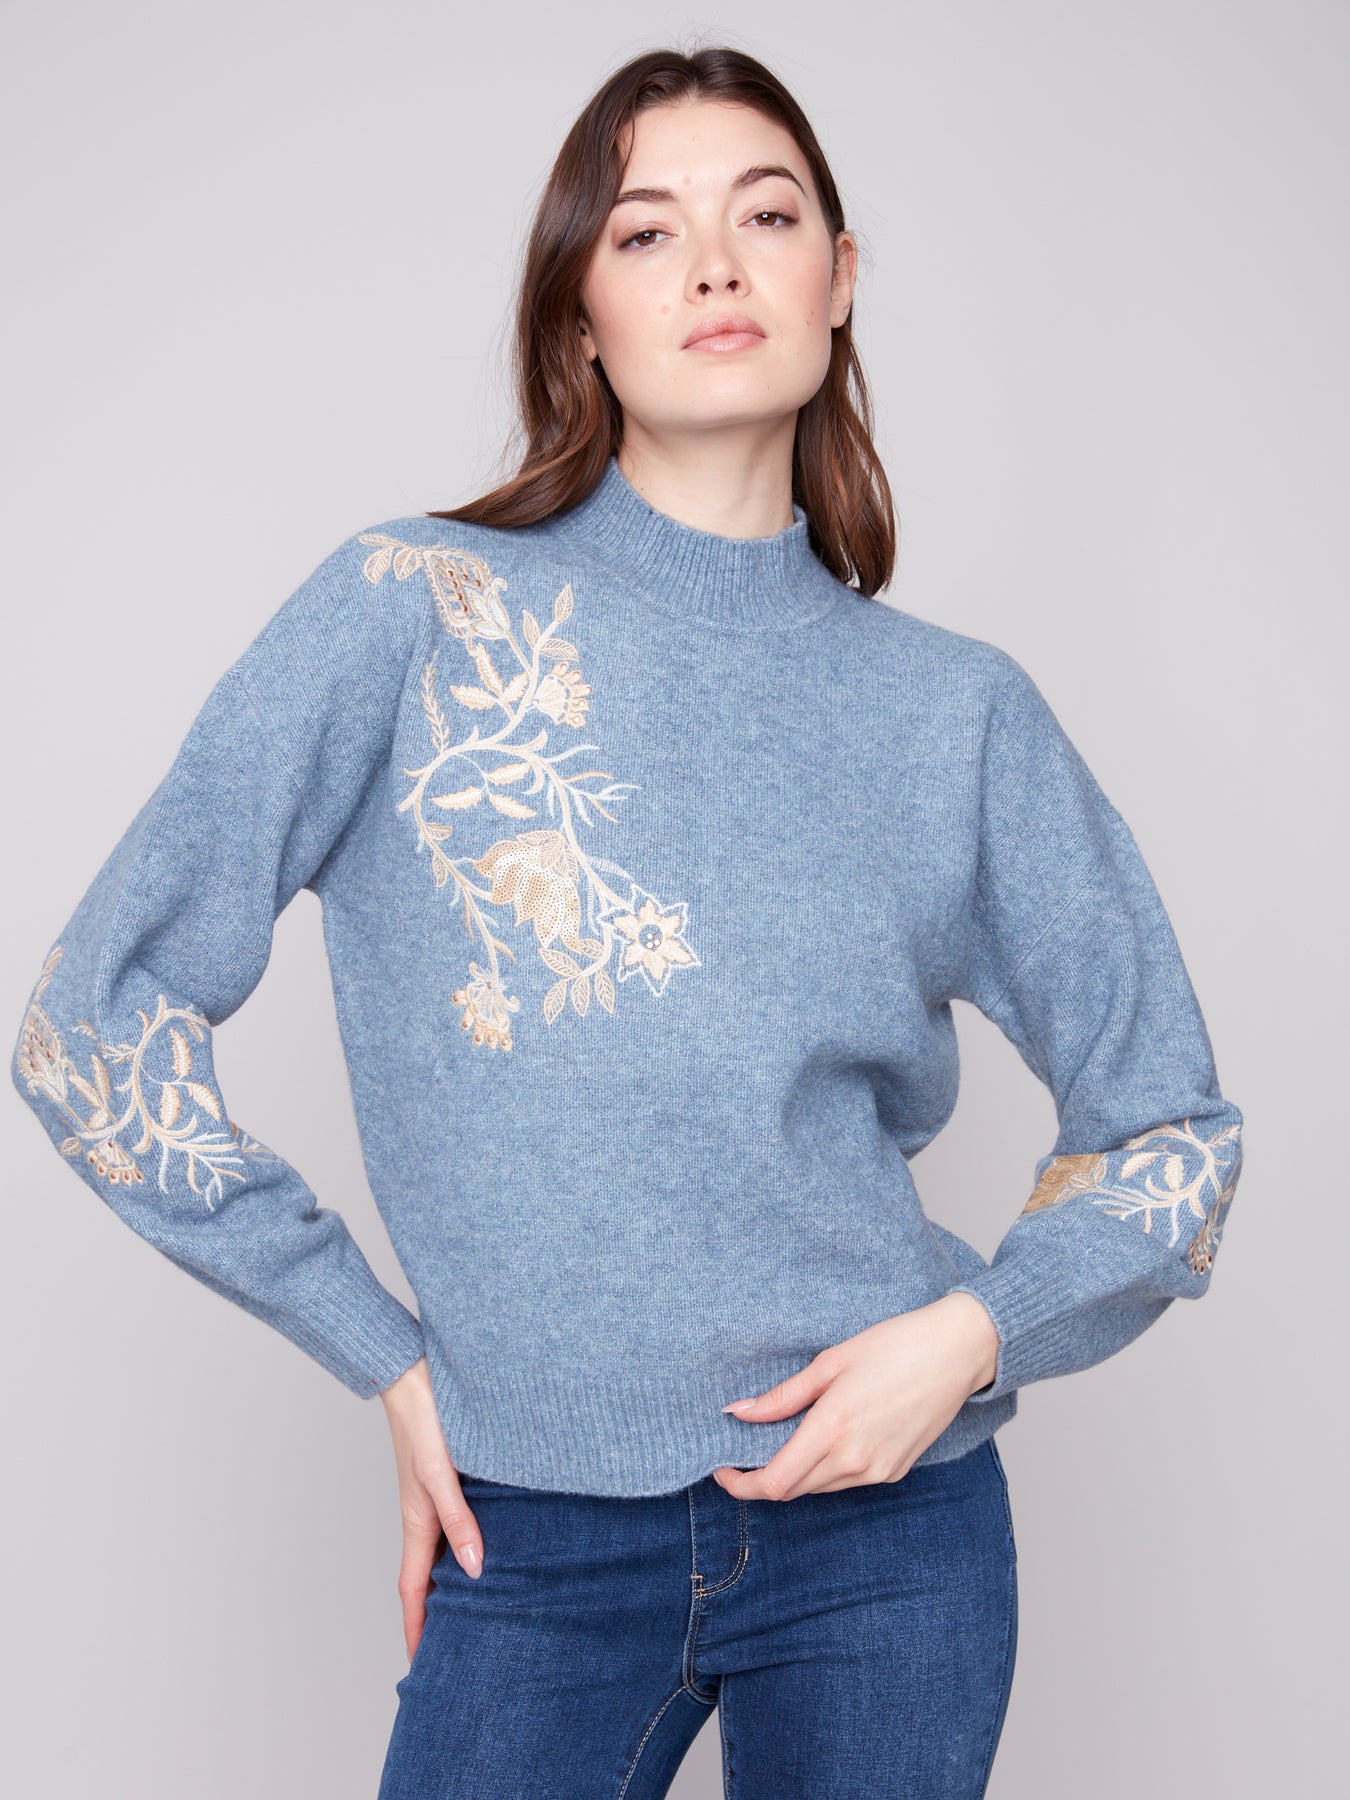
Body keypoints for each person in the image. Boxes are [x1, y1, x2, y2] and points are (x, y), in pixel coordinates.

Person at [12, 43, 1244, 1800]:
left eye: (767, 218)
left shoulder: (956, 714)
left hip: (890, 1537)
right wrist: (379, 1354)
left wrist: (972, 1336)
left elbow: (1171, 1133)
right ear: (577, 317)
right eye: (647, 232)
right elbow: (89, 1021)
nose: (716, 266)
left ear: (837, 279)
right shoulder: (411, 612)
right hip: (529, 1537)